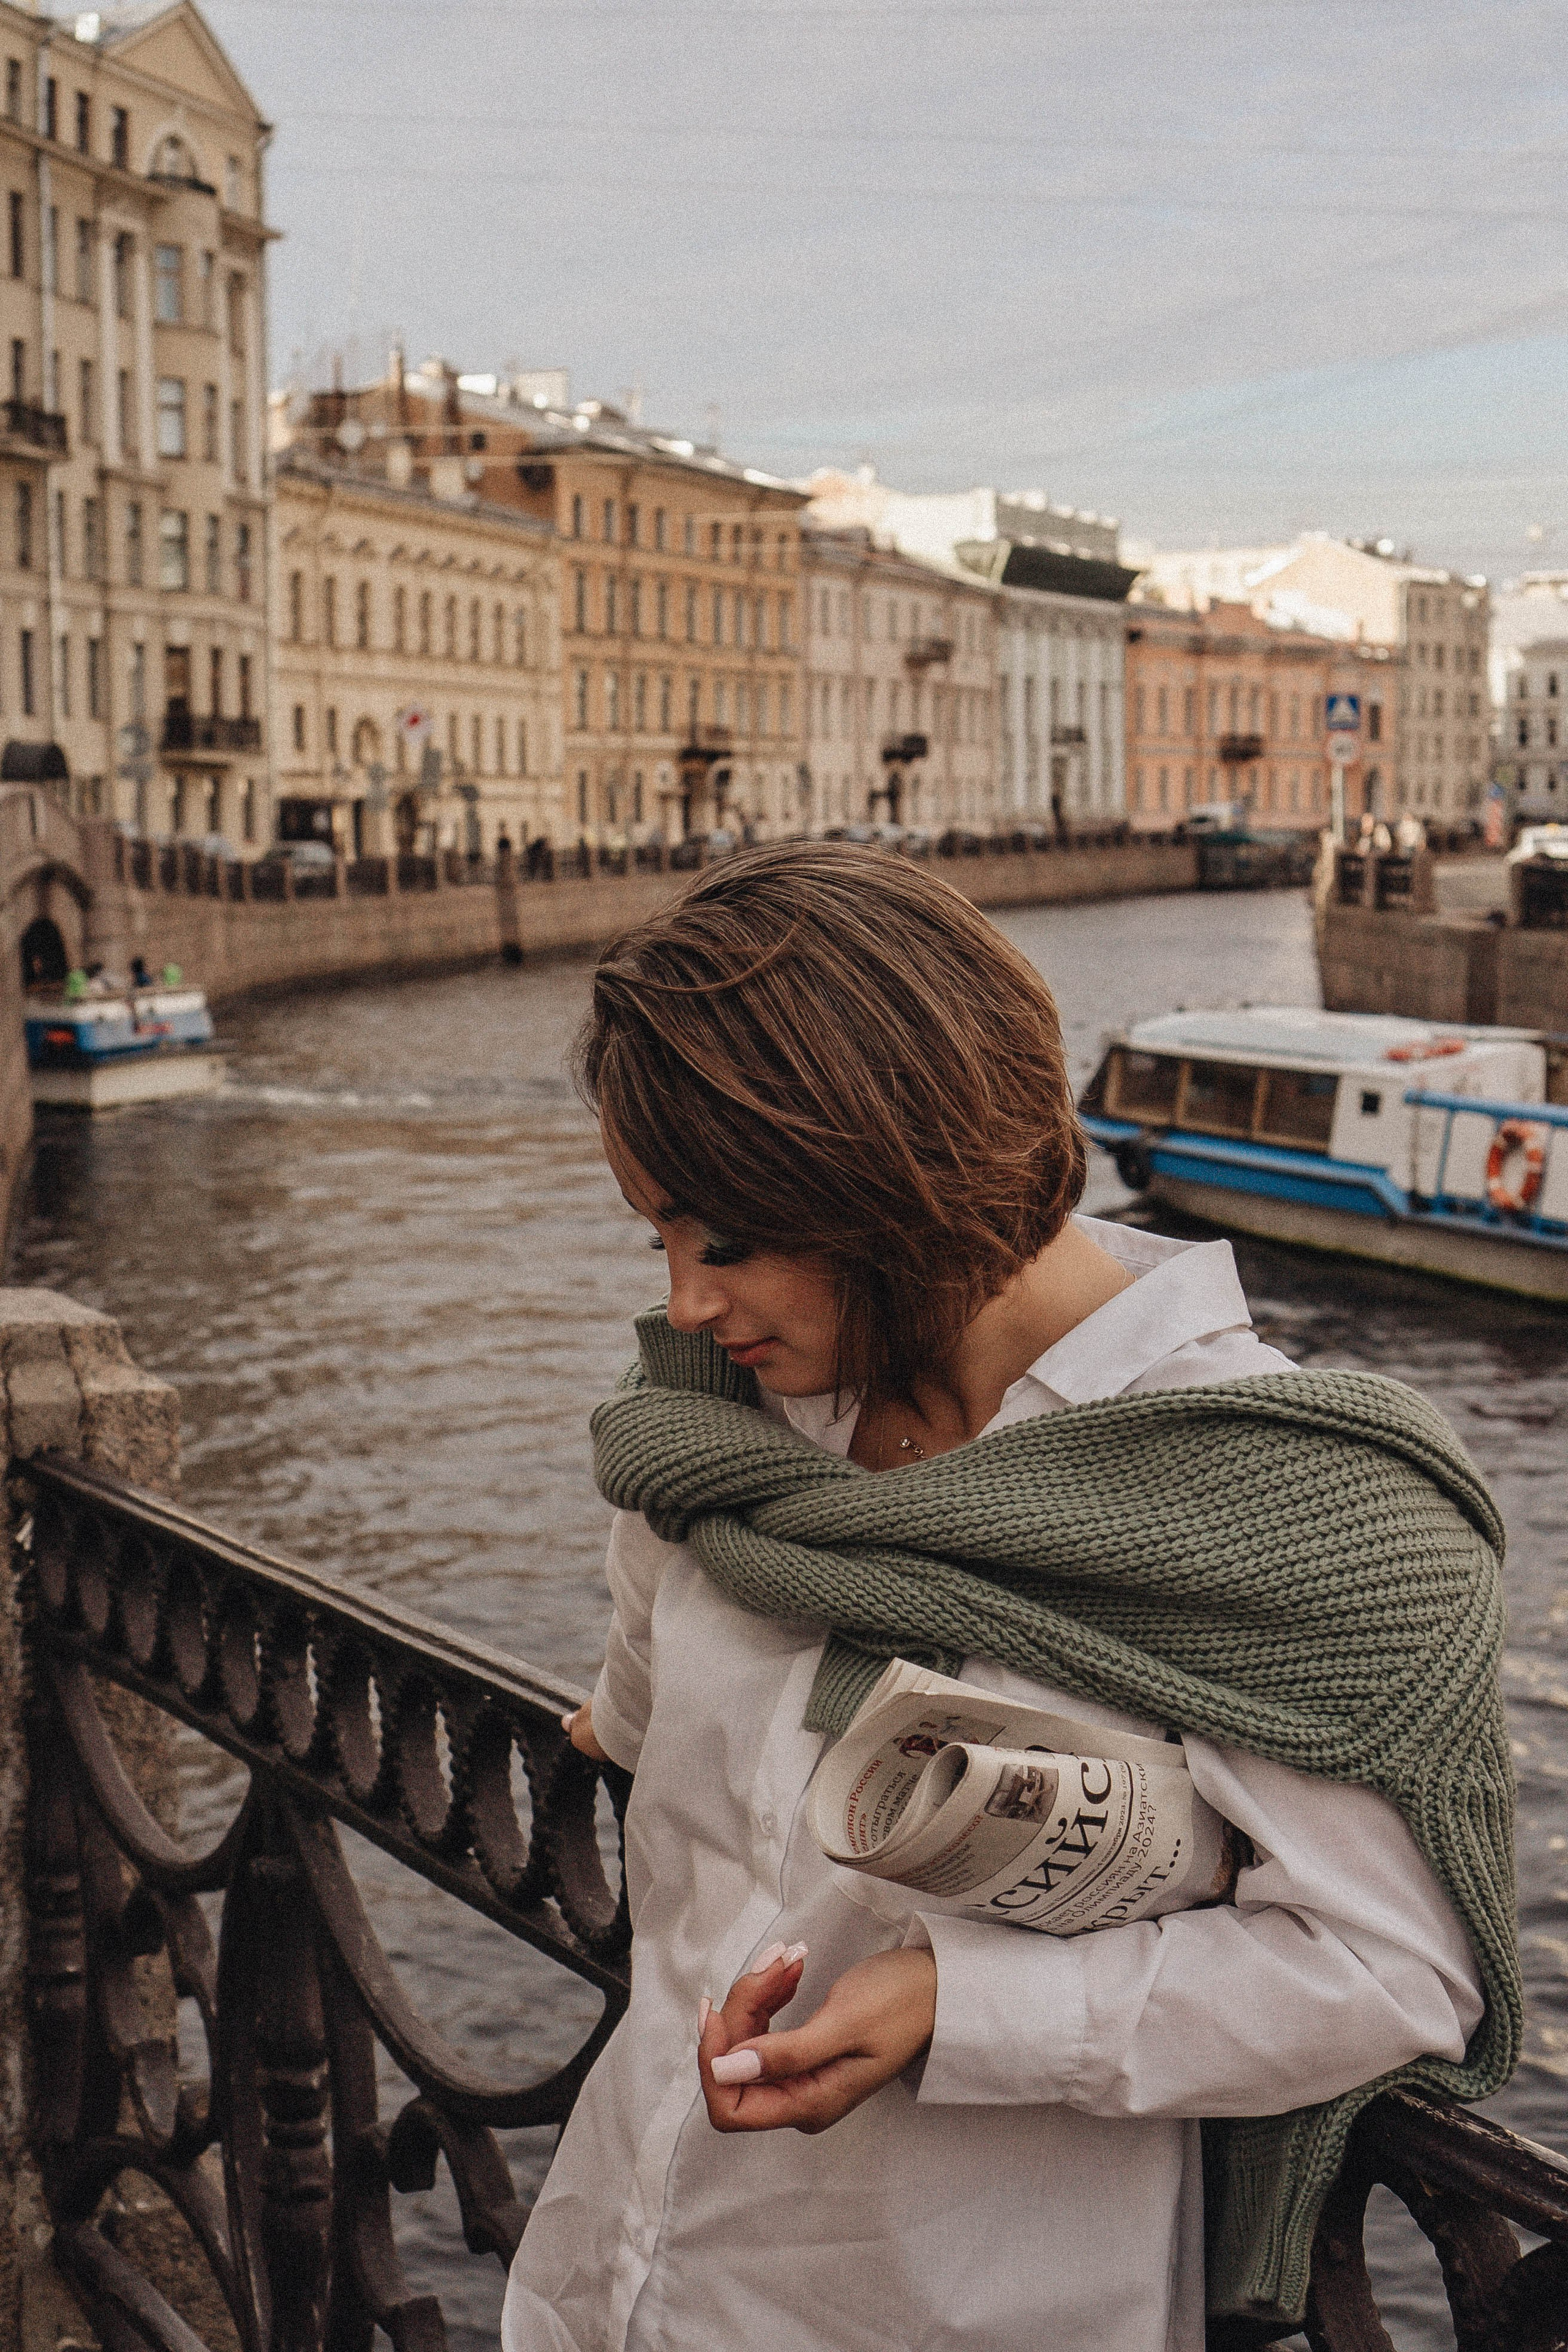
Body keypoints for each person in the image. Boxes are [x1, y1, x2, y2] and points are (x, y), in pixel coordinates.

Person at [502, 842, 1517, 2352]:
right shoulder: (721, 1436)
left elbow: (1385, 1974)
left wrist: (957, 2005)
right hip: (615, 2279)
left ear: (895, 1176)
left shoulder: (1277, 1509)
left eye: (726, 1239)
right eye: (654, 1236)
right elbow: (637, 1710)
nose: (683, 1304)